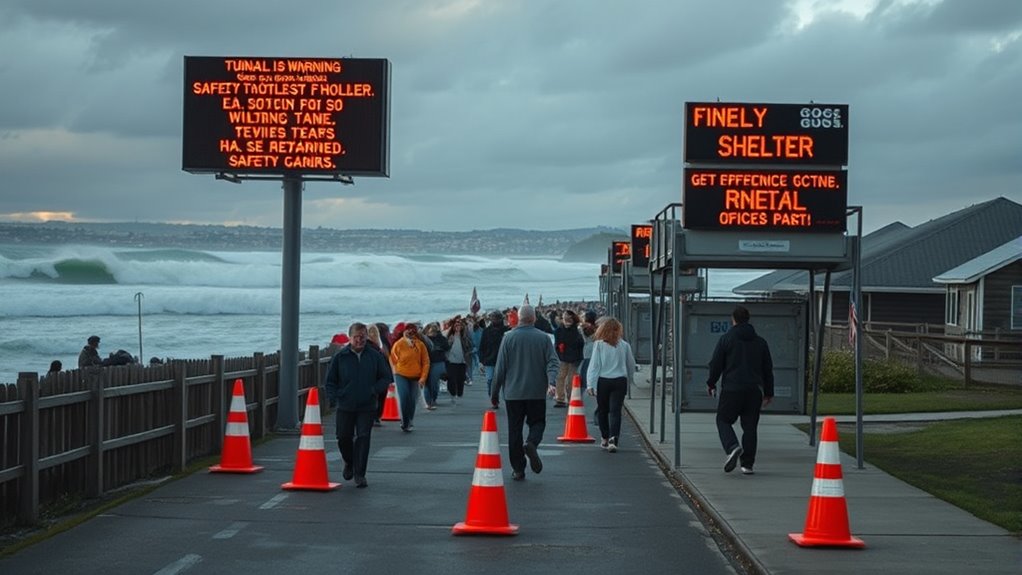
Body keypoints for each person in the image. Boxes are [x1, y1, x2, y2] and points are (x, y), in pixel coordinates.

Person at [490, 305, 559, 481]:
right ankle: (532, 443)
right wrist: (551, 382)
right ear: (534, 318)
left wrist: (494, 393)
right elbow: (553, 362)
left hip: (513, 393)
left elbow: (500, 368)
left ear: (518, 318)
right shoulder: (544, 339)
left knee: (514, 430)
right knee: (537, 422)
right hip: (536, 391)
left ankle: (518, 468)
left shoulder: (508, 338)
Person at [706, 305, 774, 475]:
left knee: (723, 419)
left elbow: (716, 364)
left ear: (733, 320)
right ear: (748, 319)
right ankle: (747, 465)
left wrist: (711, 383)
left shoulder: (726, 339)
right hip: (754, 390)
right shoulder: (760, 342)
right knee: (750, 426)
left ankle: (732, 446)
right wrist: (768, 392)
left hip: (732, 388)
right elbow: (767, 369)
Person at [324, 322, 393, 488]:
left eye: (363, 337)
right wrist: (334, 397)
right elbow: (330, 381)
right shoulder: (340, 357)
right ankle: (349, 462)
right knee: (343, 437)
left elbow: (386, 377)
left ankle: (360, 474)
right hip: (345, 404)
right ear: (350, 338)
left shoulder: (374, 356)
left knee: (363, 437)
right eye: (356, 337)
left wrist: (374, 390)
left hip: (367, 405)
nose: (360, 340)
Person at [585, 317, 636, 452]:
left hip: (604, 381)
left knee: (603, 410)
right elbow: (631, 365)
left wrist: (590, 384)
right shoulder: (625, 345)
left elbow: (594, 366)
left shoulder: (599, 345)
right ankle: (614, 438)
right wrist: (629, 379)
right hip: (620, 381)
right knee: (615, 411)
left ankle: (604, 437)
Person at [389, 322, 430, 432]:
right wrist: (395, 371)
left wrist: (423, 378)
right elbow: (392, 359)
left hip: (416, 376)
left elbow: (426, 362)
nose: (410, 332)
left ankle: (410, 419)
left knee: (412, 400)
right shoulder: (398, 344)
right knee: (404, 397)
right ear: (404, 331)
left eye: (413, 330)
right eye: (408, 330)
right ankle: (404, 421)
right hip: (400, 375)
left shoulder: (420, 345)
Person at [552, 310, 584, 407]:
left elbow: (580, 344)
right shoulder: (575, 330)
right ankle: (563, 398)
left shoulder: (563, 330)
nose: (567, 320)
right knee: (562, 377)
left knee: (567, 378)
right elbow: (580, 343)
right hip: (566, 356)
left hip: (570, 357)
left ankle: (566, 399)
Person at [478, 310, 507, 406]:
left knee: (504, 381)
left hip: (504, 359)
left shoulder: (506, 331)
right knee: (490, 380)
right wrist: (481, 361)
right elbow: (482, 346)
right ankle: (493, 398)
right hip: (490, 359)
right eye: (493, 318)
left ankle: (506, 398)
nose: (495, 320)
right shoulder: (486, 331)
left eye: (497, 318)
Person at [443, 315, 473, 405]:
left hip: (462, 361)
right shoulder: (448, 335)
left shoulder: (465, 335)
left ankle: (459, 393)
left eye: (459, 325)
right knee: (451, 379)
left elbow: (469, 346)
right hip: (450, 361)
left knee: (460, 379)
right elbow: (445, 346)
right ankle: (452, 394)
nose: (458, 327)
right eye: (456, 325)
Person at [422, 322, 449, 410]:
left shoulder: (441, 339)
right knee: (427, 383)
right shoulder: (423, 339)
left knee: (434, 383)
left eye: (434, 330)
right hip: (426, 363)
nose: (433, 332)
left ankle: (432, 399)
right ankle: (428, 401)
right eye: (431, 330)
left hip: (437, 363)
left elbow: (447, 347)